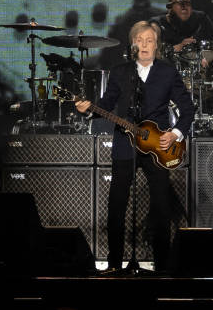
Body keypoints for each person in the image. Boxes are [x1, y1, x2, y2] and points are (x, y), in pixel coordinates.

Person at [75, 21, 195, 272]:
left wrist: (174, 134)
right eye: (139, 40)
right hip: (124, 145)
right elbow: (106, 104)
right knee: (116, 205)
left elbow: (188, 109)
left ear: (157, 44)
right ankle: (114, 264)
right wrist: (89, 110)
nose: (144, 45)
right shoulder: (120, 72)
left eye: (149, 40)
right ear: (132, 44)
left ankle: (162, 266)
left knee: (161, 206)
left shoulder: (167, 72)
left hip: (158, 147)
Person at [150, 0, 213, 67]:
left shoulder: (201, 18)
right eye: (180, 3)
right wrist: (175, 49)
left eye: (188, 3)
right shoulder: (157, 24)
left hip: (197, 70)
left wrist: (206, 57)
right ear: (169, 7)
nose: (185, 7)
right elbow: (150, 52)